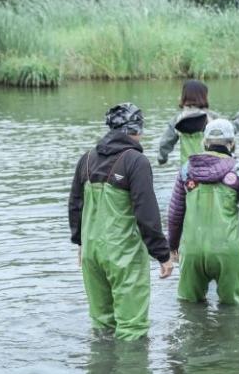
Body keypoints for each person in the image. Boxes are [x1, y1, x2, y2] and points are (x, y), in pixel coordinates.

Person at [68, 103, 173, 340]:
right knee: (132, 329)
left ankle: (99, 373)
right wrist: (162, 254)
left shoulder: (86, 159)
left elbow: (75, 205)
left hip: (91, 253)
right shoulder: (136, 161)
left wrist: (80, 243)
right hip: (123, 254)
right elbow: (147, 214)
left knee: (101, 325)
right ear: (135, 129)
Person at [167, 118, 239, 304]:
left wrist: (172, 247)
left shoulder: (186, 171)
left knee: (189, 309)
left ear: (204, 142)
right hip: (227, 252)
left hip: (192, 251)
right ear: (232, 144)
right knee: (232, 310)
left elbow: (175, 214)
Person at [157, 79, 239, 165]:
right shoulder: (211, 117)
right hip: (211, 167)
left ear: (184, 96)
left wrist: (162, 159)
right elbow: (232, 129)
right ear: (203, 96)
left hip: (188, 169)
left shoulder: (177, 119)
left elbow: (165, 143)